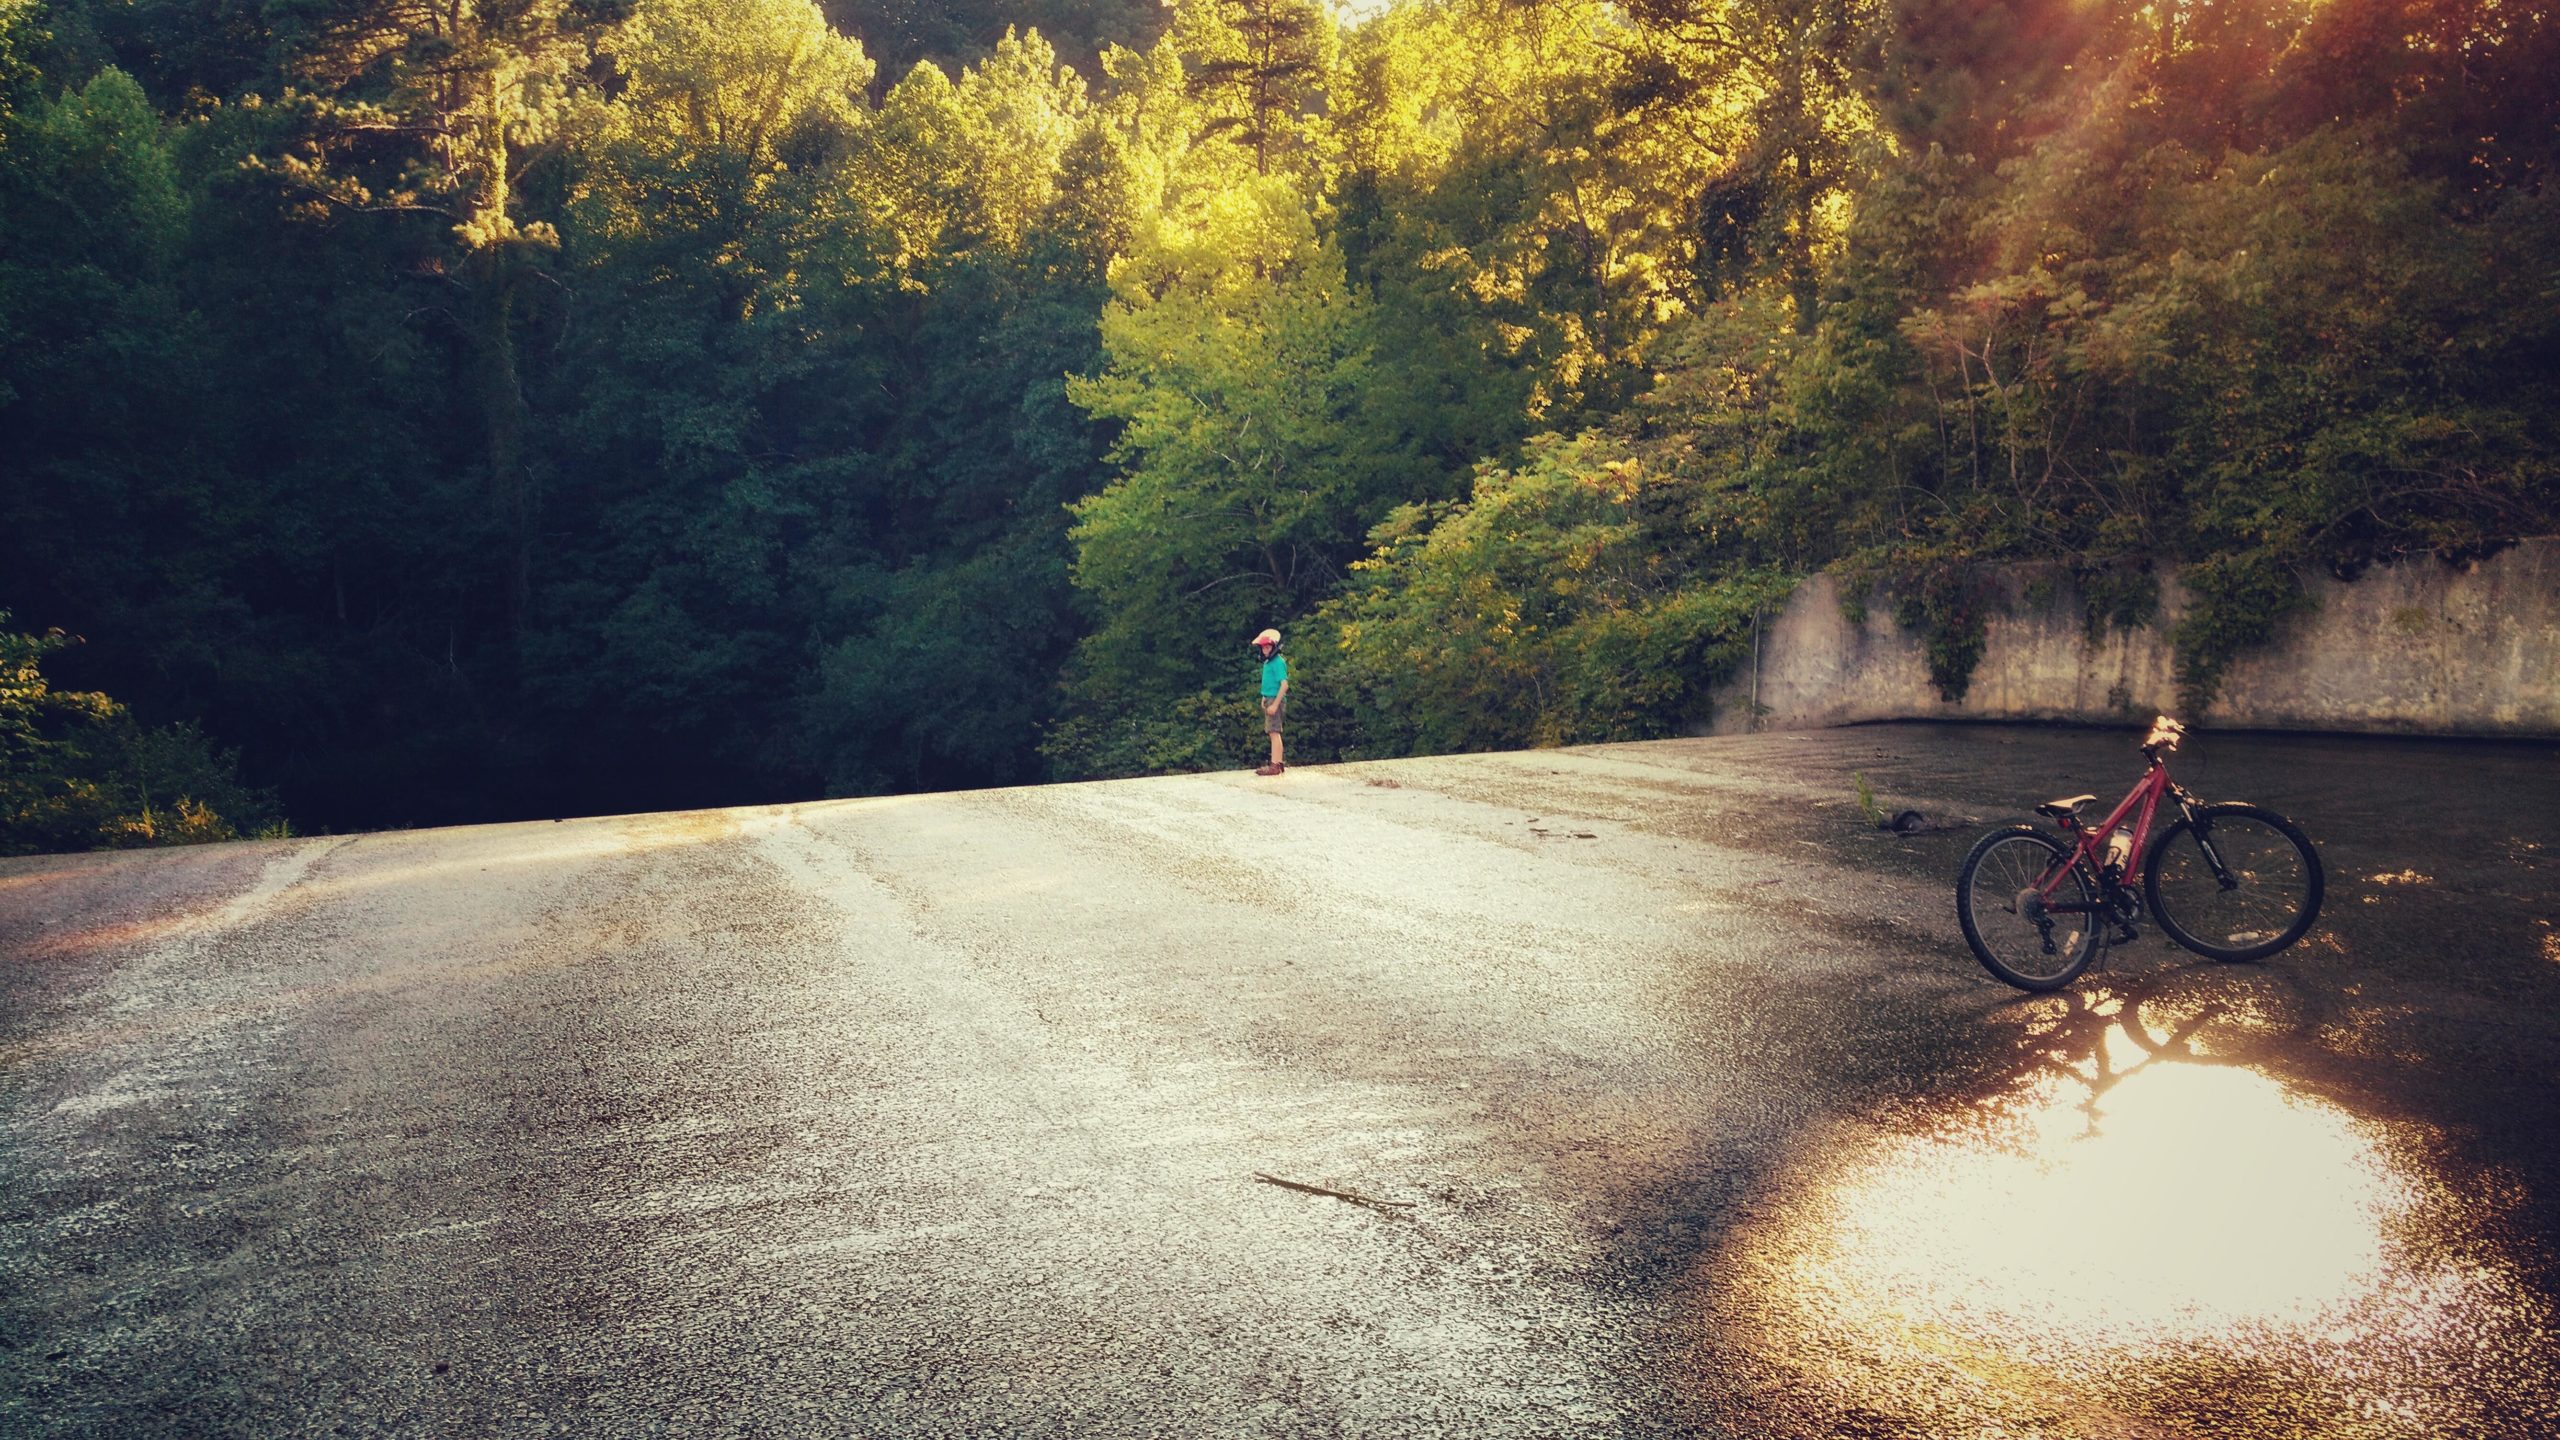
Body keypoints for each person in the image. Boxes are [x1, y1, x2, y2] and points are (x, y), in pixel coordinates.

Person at [1251, 628, 1287, 776]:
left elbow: (1284, 685)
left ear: (1274, 647)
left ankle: (1275, 765)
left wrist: (1275, 704)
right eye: (1263, 647)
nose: (1265, 650)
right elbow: (1268, 684)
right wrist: (1264, 698)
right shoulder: (1268, 663)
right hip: (1269, 698)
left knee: (1274, 732)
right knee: (1273, 732)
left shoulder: (1278, 662)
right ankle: (1278, 762)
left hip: (1275, 700)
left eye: (1268, 647)